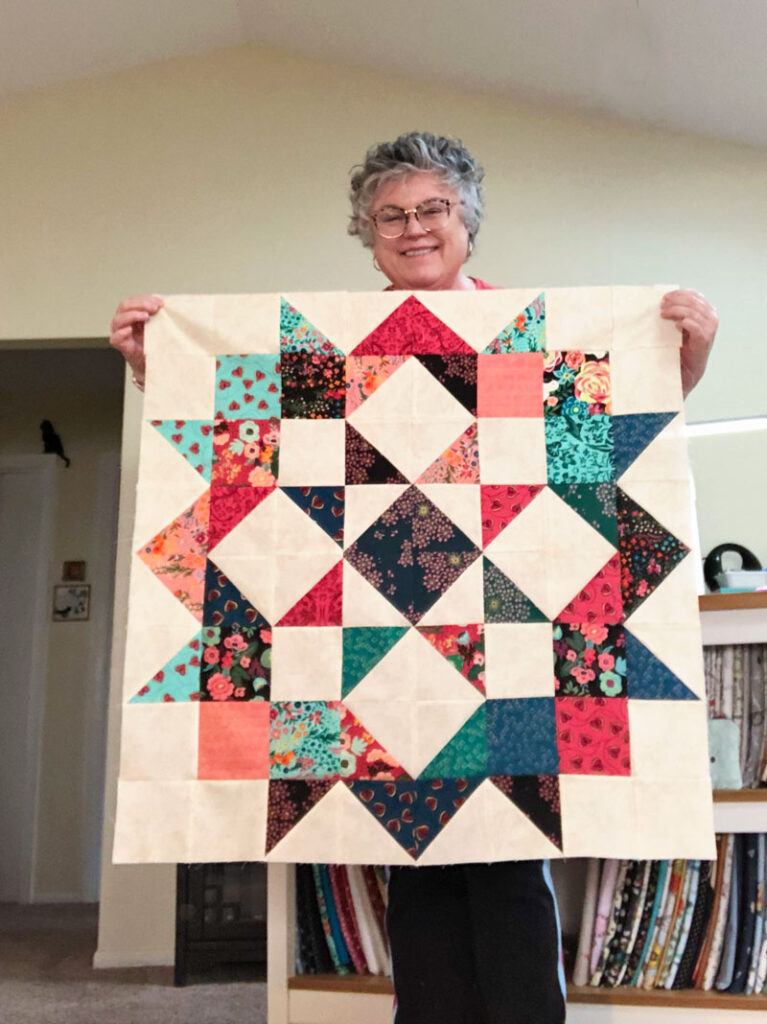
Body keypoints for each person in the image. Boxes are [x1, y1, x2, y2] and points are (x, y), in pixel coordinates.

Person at [110, 132, 718, 1024]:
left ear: (466, 219)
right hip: (363, 663)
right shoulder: (324, 357)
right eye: (388, 216)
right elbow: (235, 461)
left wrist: (683, 359)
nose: (413, 227)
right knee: (415, 877)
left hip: (517, 649)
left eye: (432, 208)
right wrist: (155, 367)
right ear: (367, 234)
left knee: (509, 868)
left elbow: (606, 455)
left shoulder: (540, 337)